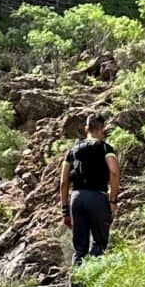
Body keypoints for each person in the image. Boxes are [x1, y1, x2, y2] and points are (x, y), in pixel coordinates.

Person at [61, 112, 121, 263]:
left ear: (86, 128)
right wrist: (113, 200)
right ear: (103, 129)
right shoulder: (106, 149)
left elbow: (63, 182)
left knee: (80, 248)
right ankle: (93, 281)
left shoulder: (72, 151)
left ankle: (75, 284)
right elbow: (114, 172)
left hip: (76, 198)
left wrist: (65, 209)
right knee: (99, 244)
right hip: (97, 198)